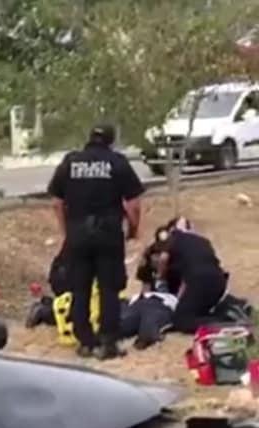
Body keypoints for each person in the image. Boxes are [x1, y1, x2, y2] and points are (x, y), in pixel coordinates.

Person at [47, 124, 144, 359]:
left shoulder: (71, 162)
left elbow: (56, 202)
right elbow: (133, 204)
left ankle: (86, 342)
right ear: (111, 141)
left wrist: (66, 230)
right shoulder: (117, 162)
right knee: (109, 288)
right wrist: (132, 229)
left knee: (79, 288)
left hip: (78, 234)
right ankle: (108, 342)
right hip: (108, 233)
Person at [157, 218, 230, 333]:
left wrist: (160, 278)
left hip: (199, 280)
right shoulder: (203, 240)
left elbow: (163, 258)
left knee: (182, 320)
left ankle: (223, 324)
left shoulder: (173, 237)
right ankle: (226, 317)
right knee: (198, 311)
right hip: (219, 281)